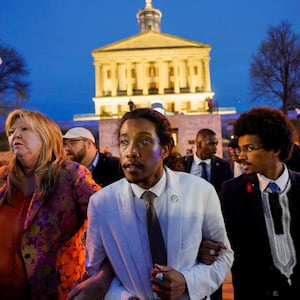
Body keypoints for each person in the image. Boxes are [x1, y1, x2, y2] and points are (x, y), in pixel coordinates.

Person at [69, 108, 233, 300]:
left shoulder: (200, 191)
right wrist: (122, 297)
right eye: (124, 142)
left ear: (165, 148)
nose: (131, 152)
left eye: (144, 141)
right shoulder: (101, 203)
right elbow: (96, 269)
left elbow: (223, 256)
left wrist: (188, 282)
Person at [0, 109, 101, 299]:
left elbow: (109, 218)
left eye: (25, 129)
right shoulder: (4, 177)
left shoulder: (70, 174)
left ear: (46, 136)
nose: (16, 135)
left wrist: (102, 276)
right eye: (11, 132)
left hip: (52, 291)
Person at [220, 107, 300, 299]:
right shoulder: (232, 193)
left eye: (249, 148)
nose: (241, 156)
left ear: (275, 148)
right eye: (240, 149)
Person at [183, 128, 233, 195]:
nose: (215, 148)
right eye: (210, 144)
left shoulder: (223, 166)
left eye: (216, 144)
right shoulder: (182, 163)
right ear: (199, 144)